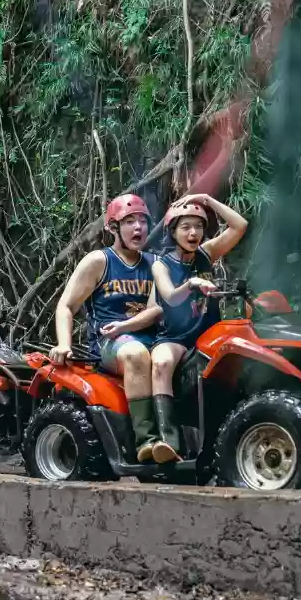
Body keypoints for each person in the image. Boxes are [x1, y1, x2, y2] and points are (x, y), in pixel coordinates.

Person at [49, 194, 164, 456]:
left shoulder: (155, 263)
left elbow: (158, 310)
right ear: (113, 228)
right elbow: (66, 305)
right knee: (136, 354)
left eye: (143, 222)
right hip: (109, 343)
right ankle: (145, 440)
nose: (138, 228)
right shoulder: (99, 261)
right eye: (129, 222)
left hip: (151, 337)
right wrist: (64, 344)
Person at [146, 193, 249, 462]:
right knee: (160, 362)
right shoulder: (161, 264)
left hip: (209, 333)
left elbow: (239, 226)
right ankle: (169, 440)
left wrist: (207, 199)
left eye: (199, 226)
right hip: (176, 336)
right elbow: (169, 296)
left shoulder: (206, 253)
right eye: (186, 227)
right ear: (172, 231)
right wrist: (191, 284)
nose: (194, 233)